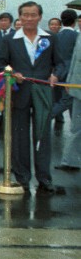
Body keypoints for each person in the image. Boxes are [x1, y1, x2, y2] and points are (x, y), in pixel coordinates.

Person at [0, 1, 65, 193]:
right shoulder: (10, 39)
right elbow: (0, 64)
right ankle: (22, 178)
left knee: (42, 135)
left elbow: (60, 63)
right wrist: (12, 73)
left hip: (43, 93)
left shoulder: (50, 38)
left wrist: (55, 75)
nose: (29, 18)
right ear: (20, 17)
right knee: (19, 137)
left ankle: (44, 178)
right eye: (25, 15)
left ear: (40, 17)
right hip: (19, 93)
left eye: (33, 15)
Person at [57, 33, 81, 171]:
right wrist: (69, 81)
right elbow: (74, 61)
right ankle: (70, 161)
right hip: (77, 87)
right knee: (76, 127)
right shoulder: (79, 36)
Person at [51, 9, 78, 125]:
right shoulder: (77, 36)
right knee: (68, 100)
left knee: (58, 99)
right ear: (75, 21)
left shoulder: (56, 36)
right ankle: (46, 117)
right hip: (71, 74)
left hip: (56, 73)